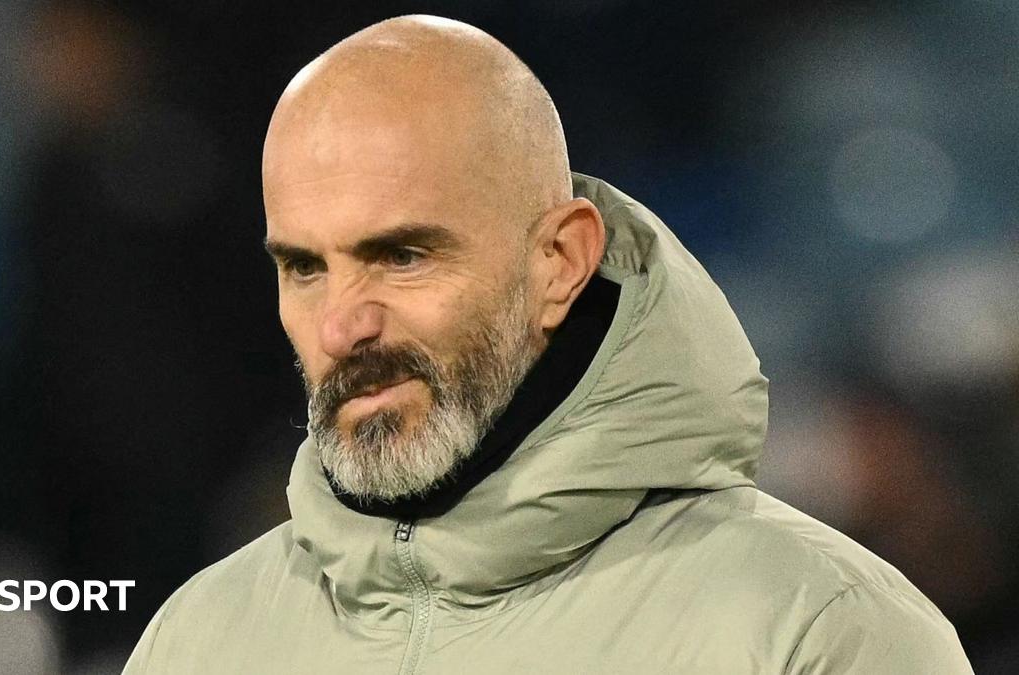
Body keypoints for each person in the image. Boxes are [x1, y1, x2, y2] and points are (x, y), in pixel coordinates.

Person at [124, 15, 972, 674]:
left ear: (561, 260)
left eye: (404, 255)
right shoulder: (198, 641)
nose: (344, 325)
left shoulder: (818, 631)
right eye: (305, 268)